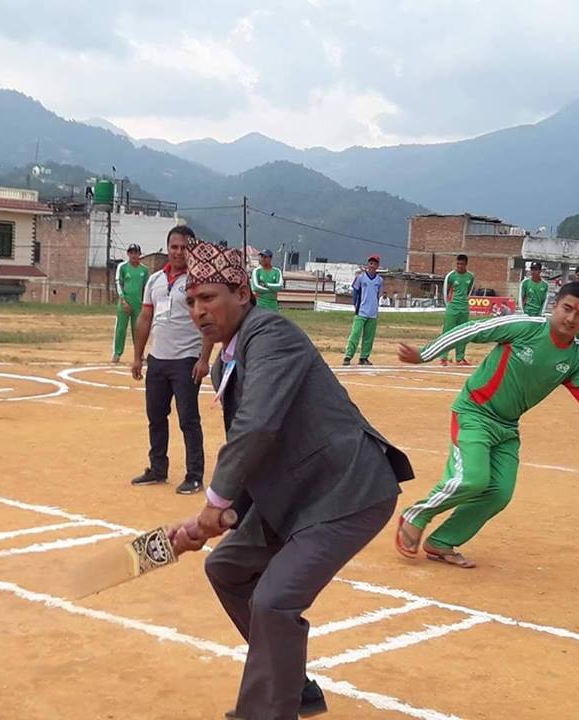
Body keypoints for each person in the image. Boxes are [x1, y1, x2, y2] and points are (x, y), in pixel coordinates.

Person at [170, 239, 413, 720]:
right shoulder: (225, 361)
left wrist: (214, 504)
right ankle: (293, 685)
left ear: (243, 294)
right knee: (227, 569)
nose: (199, 311)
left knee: (274, 600)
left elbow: (256, 424)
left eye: (209, 298)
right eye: (192, 301)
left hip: (346, 490)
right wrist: (219, 516)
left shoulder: (271, 334)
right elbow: (255, 450)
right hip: (296, 495)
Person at [395, 282, 579, 568]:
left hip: (508, 427)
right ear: (555, 305)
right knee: (473, 479)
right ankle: (416, 515)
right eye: (567, 308)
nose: (571, 318)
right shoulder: (525, 327)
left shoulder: (578, 359)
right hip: (474, 412)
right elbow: (473, 330)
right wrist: (425, 354)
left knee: (499, 493)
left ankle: (443, 541)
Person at [130, 225, 214, 495]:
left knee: (188, 419)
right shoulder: (154, 280)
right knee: (156, 416)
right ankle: (158, 468)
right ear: (167, 248)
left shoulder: (198, 281)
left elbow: (208, 322)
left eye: (184, 247)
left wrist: (204, 359)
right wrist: (137, 356)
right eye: (174, 247)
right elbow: (145, 318)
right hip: (158, 359)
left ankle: (194, 475)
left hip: (186, 360)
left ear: (192, 250)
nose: (178, 252)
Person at [342, 254, 383, 365]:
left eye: (374, 264)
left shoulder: (379, 280)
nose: (372, 266)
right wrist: (355, 304)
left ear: (377, 266)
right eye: (370, 263)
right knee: (355, 334)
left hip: (372, 312)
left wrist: (376, 307)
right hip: (361, 311)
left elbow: (378, 295)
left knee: (369, 337)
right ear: (368, 264)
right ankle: (348, 356)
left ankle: (364, 357)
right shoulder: (361, 277)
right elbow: (355, 291)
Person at [112, 243, 150, 363]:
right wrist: (123, 299)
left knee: (138, 330)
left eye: (136, 253)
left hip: (138, 304)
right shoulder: (123, 267)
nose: (134, 255)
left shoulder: (144, 270)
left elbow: (147, 288)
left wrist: (145, 303)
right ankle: (117, 353)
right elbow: (119, 283)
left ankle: (139, 354)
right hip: (124, 303)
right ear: (128, 254)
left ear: (140, 254)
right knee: (121, 329)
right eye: (131, 253)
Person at [440, 254, 475, 366]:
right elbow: (445, 291)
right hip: (452, 308)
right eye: (458, 264)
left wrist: (464, 302)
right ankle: (443, 357)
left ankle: (460, 358)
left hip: (464, 308)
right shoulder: (451, 276)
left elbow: (469, 291)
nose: (459, 266)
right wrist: (448, 305)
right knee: (447, 332)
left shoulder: (470, 276)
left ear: (466, 264)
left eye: (462, 264)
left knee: (463, 332)